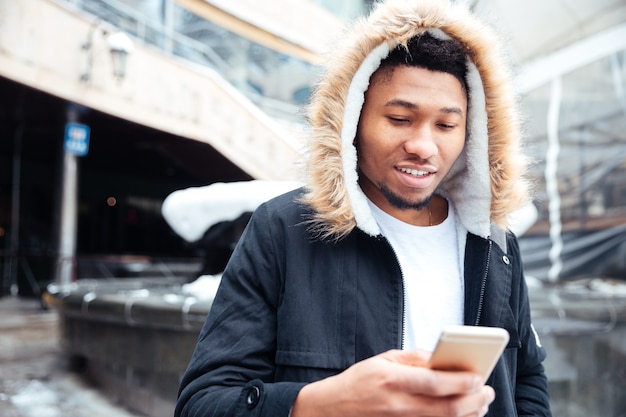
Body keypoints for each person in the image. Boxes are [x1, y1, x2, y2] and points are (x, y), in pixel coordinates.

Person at [174, 1, 552, 416]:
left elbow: (527, 379)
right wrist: (318, 404)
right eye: (399, 118)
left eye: (446, 125)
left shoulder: (495, 245)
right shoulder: (282, 230)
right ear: (352, 120)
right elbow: (202, 403)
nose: (424, 147)